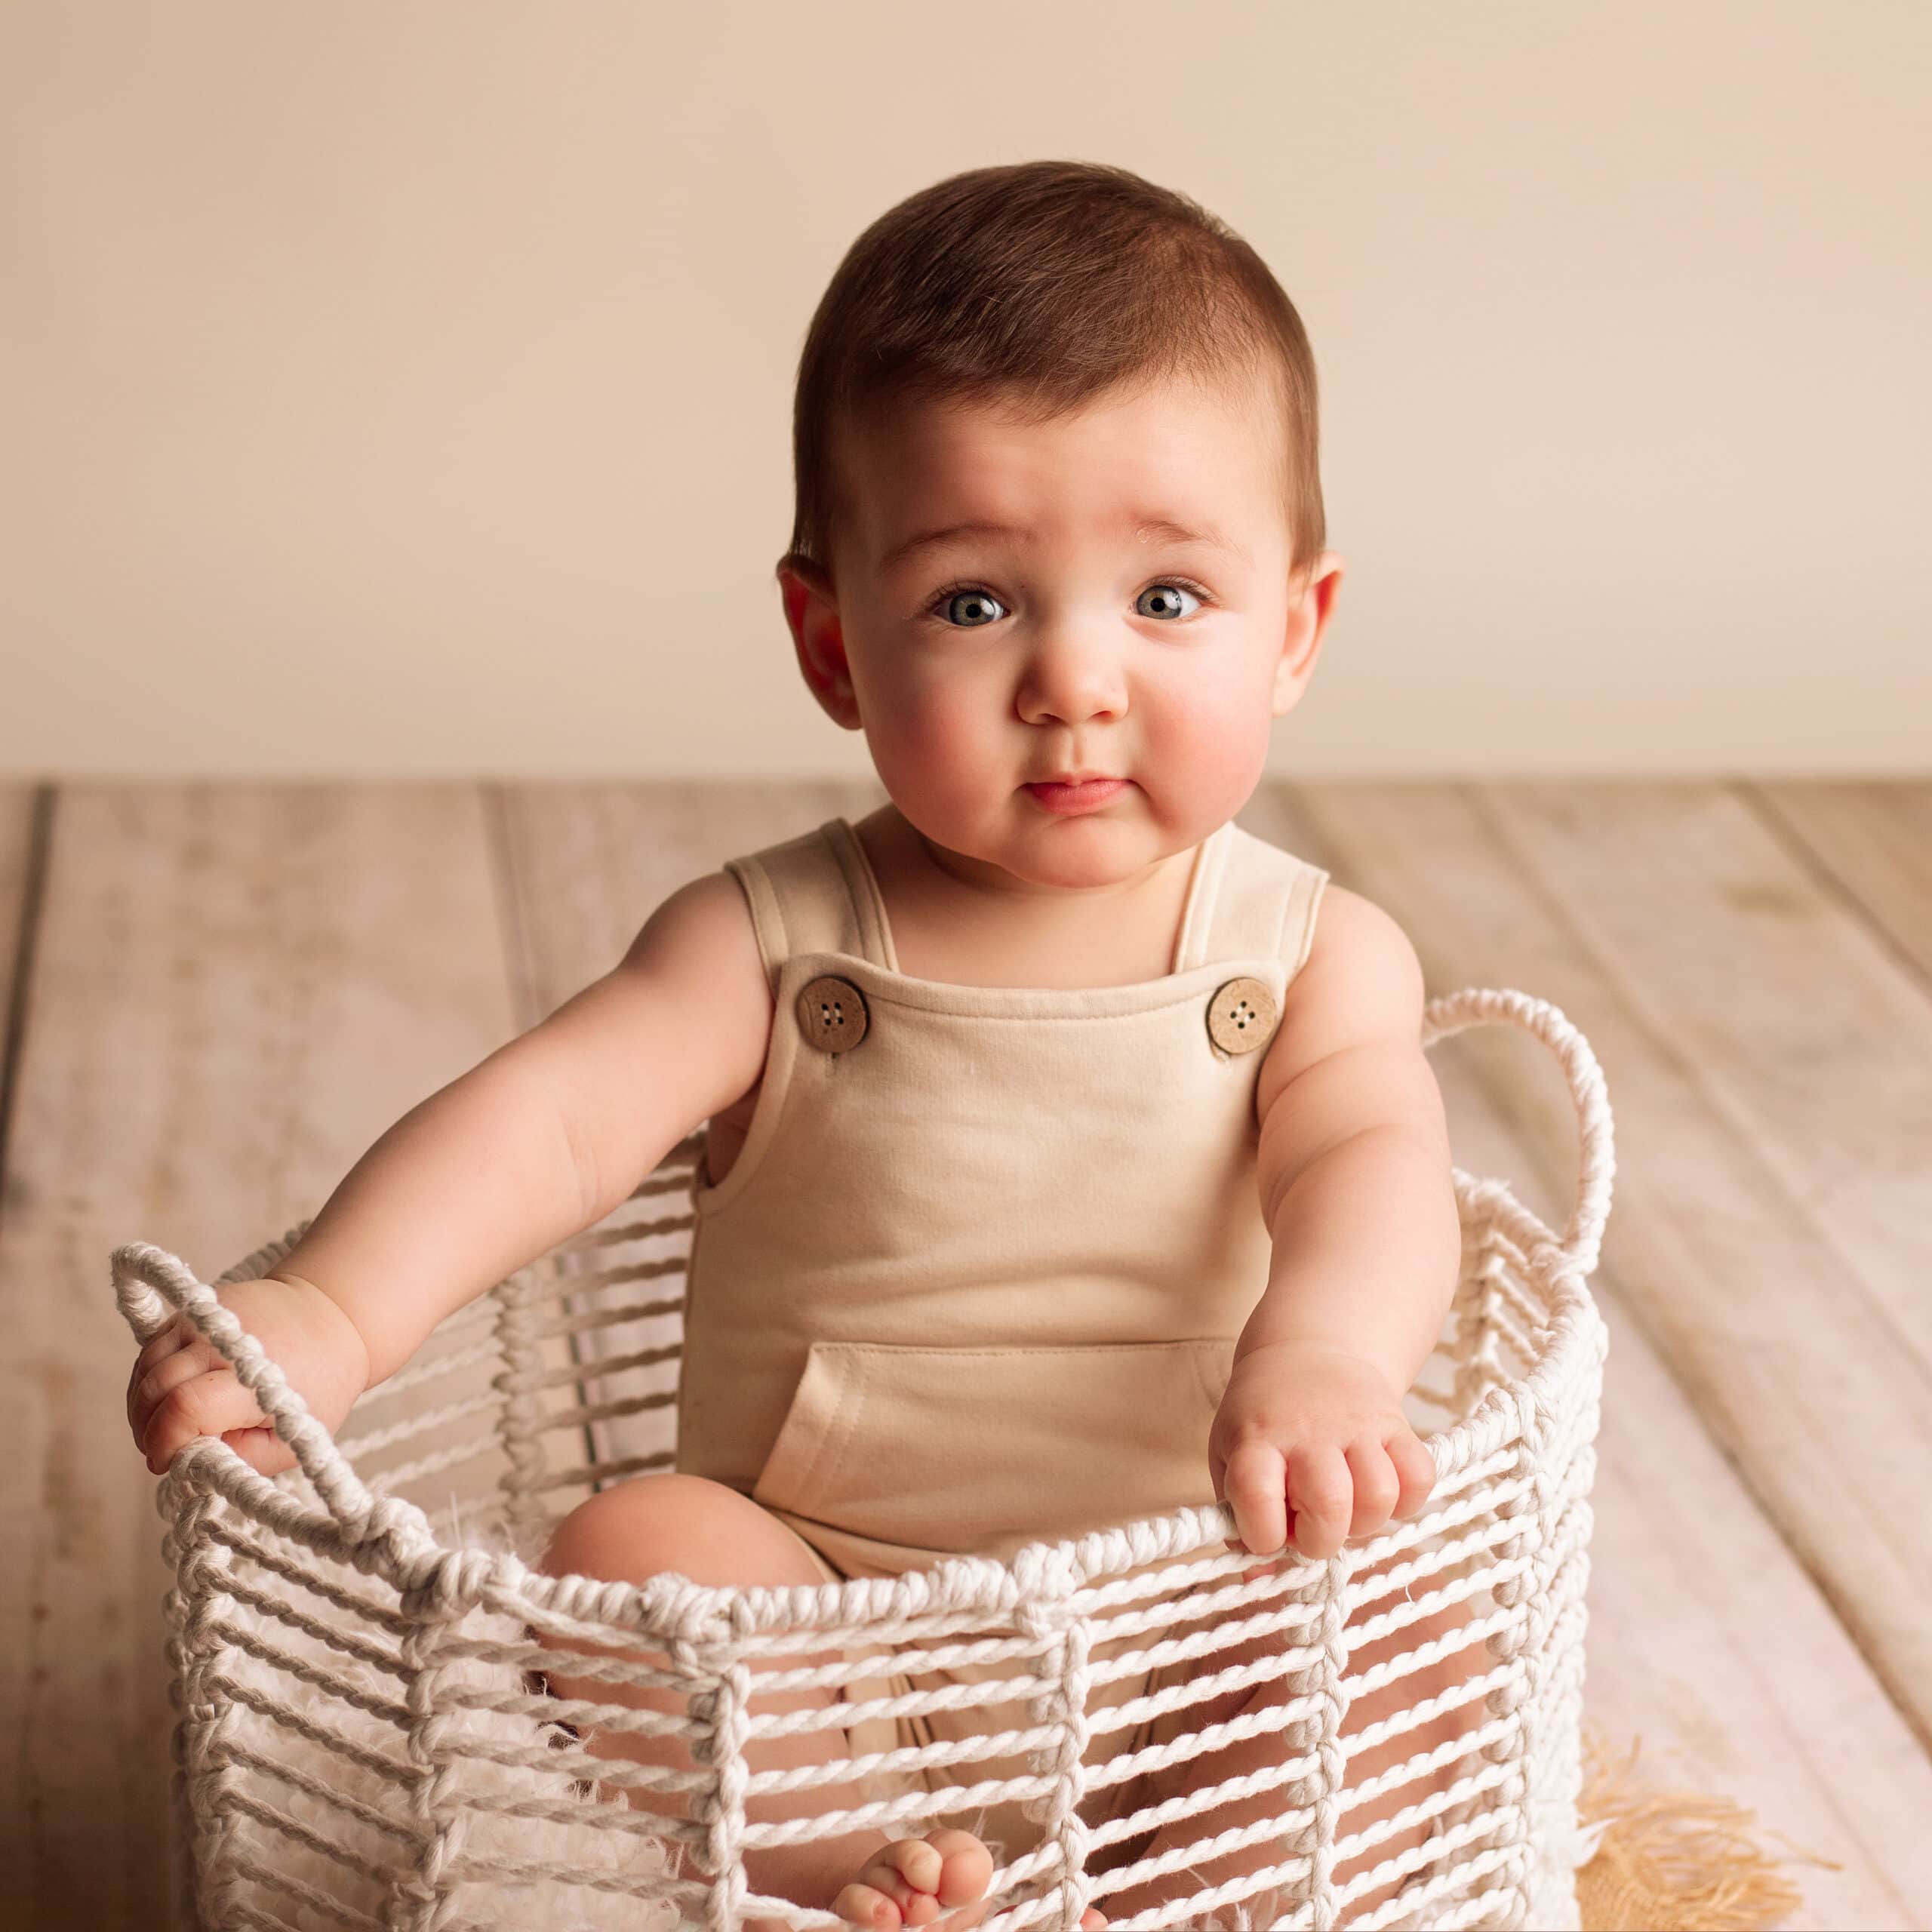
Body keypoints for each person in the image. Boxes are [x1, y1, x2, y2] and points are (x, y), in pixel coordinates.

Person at [127, 160, 1474, 1930]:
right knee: (624, 1555)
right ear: (831, 640)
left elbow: (1371, 1163)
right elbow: (546, 1124)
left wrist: (1322, 1358)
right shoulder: (770, 946)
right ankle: (859, 1871)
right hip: (824, 1621)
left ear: (1289, 627)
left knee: (1407, 1628)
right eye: (976, 601)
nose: (1073, 677)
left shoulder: (1307, 956)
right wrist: (335, 1308)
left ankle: (1200, 1887)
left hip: (1192, 1604)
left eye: (1163, 598)